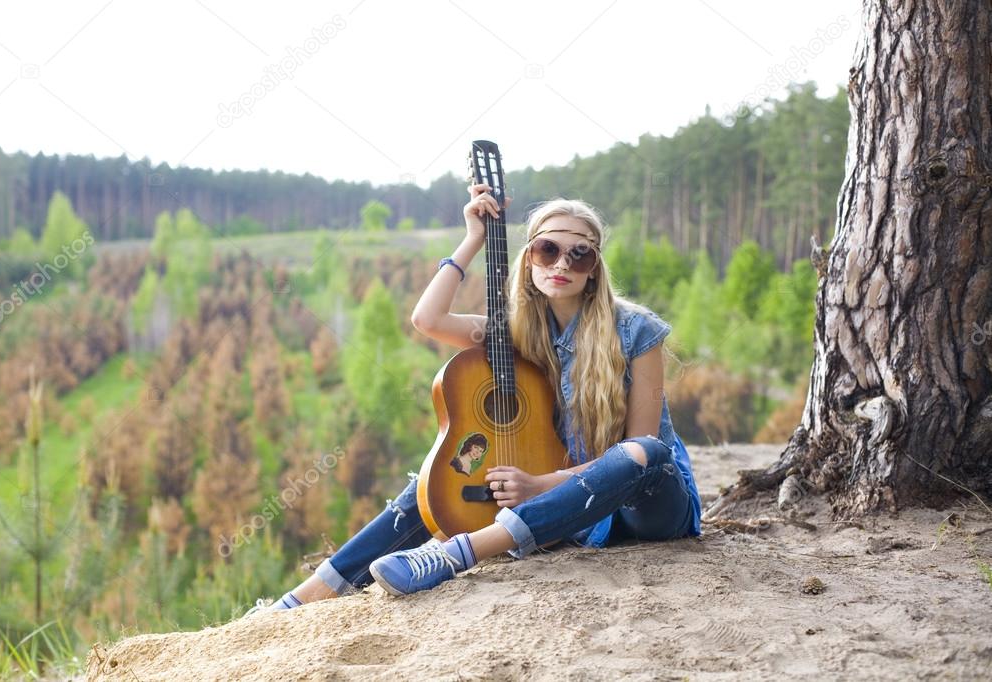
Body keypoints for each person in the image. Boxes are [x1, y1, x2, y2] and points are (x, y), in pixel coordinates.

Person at [245, 182, 701, 614]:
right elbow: (428, 319)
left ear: (594, 267)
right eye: (548, 249)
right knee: (440, 478)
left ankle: (453, 556)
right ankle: (304, 597)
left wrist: (539, 484)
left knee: (644, 453)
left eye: (579, 254)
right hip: (570, 514)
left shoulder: (637, 331)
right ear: (529, 258)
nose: (562, 264)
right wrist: (473, 238)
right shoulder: (521, 333)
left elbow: (643, 448)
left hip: (647, 510)